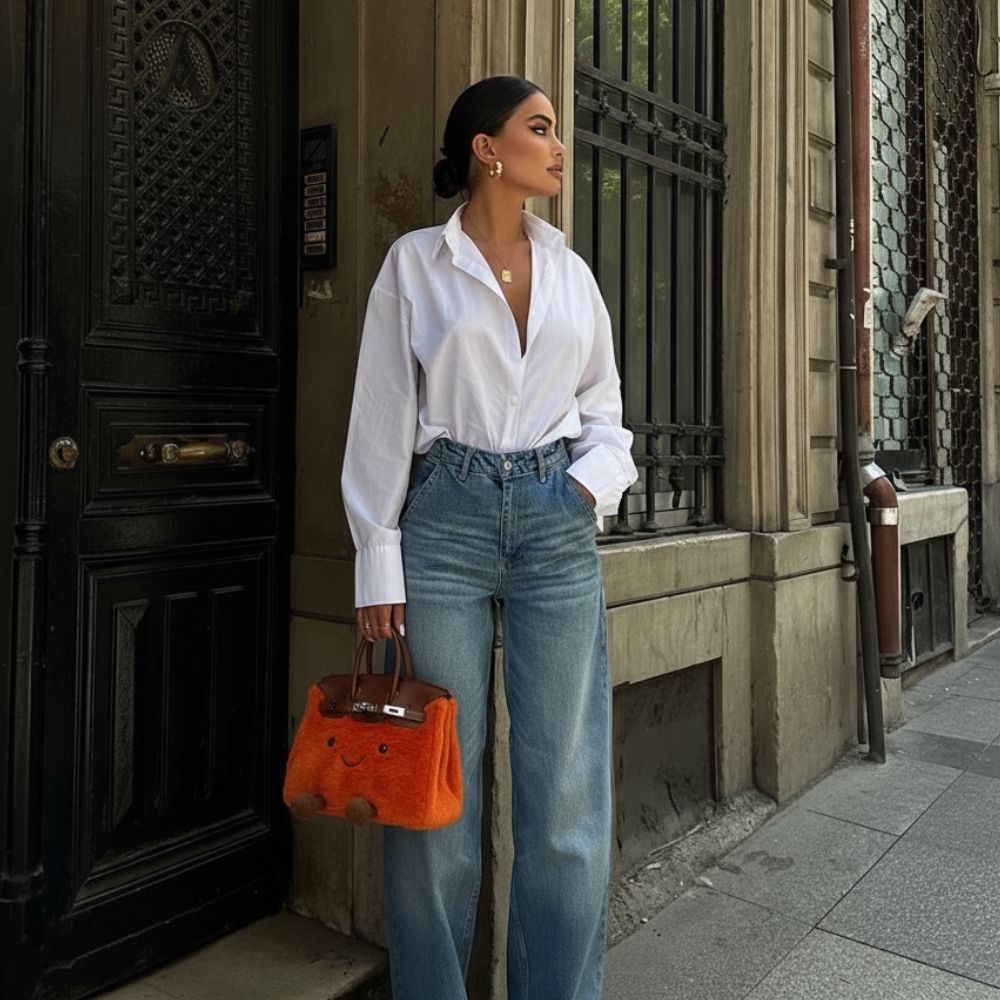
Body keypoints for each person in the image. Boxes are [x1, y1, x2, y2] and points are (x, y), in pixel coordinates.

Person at [341, 74, 638, 1000]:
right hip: (446, 524)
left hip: (554, 523)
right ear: (485, 146)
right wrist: (375, 559)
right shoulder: (415, 265)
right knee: (433, 791)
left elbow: (607, 412)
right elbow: (384, 417)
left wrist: (585, 490)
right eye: (540, 128)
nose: (559, 147)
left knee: (565, 798)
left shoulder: (571, 273)